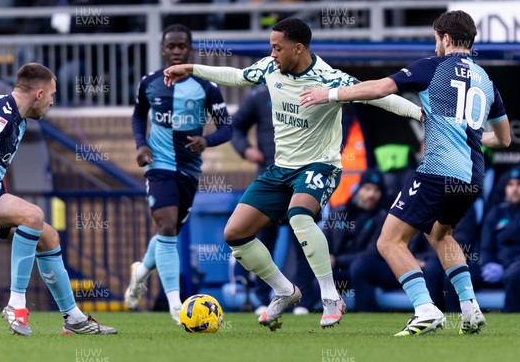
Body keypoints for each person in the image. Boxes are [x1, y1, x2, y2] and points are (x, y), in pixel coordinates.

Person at [163, 17, 423, 330]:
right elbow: (236, 76)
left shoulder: (329, 77)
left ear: (297, 48)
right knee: (235, 233)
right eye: (271, 47)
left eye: (277, 48)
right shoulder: (271, 69)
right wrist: (191, 68)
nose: (272, 54)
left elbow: (380, 96)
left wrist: (419, 113)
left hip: (319, 166)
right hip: (279, 169)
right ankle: (286, 291)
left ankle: (330, 298)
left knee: (300, 216)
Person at [300, 10, 511, 335]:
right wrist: (469, 134)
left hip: (439, 170)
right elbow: (504, 138)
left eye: (435, 38)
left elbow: (380, 88)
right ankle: (471, 309)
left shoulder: (433, 66)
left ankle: (426, 309)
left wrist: (330, 94)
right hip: (473, 177)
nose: (435, 44)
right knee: (440, 235)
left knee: (390, 241)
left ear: (446, 38)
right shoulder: (486, 79)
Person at [0, 63, 117, 336]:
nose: (51, 102)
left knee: (49, 238)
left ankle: (73, 318)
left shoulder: (18, 119)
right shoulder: (2, 110)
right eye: (52, 94)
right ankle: (16, 306)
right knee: (33, 215)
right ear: (39, 93)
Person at [124, 24, 232, 324]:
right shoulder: (150, 83)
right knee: (167, 227)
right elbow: (137, 116)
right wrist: (141, 144)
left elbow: (227, 127)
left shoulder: (205, 87)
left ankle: (141, 272)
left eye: (181, 46)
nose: (175, 51)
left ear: (190, 49)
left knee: (167, 233)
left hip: (188, 170)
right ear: (162, 48)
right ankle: (176, 305)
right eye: (170, 46)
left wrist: (207, 140)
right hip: (158, 166)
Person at [231, 86, 315, 314]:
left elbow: (337, 124)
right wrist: (245, 149)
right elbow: (235, 126)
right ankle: (261, 298)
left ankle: (304, 301)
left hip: (302, 179)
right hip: (270, 181)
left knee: (305, 242)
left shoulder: (311, 89)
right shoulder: (259, 95)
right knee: (262, 241)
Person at [326, 170, 387, 297]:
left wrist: (336, 260)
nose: (372, 194)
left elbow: (372, 253)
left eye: (377, 190)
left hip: (364, 269)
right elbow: (324, 241)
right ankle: (300, 308)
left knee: (360, 267)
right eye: (367, 188)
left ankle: (367, 313)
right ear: (359, 189)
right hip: (338, 270)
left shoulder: (383, 218)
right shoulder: (339, 213)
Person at [480, 166, 520, 312]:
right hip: (495, 265)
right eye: (510, 185)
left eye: (519, 184)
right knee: (461, 274)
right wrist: (487, 264)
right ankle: (460, 320)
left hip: (518, 265)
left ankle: (513, 325)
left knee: (515, 276)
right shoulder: (496, 212)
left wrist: (505, 269)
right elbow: (486, 246)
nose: (514, 189)